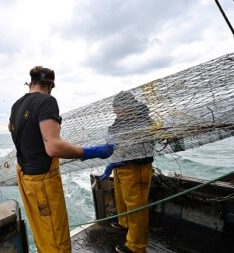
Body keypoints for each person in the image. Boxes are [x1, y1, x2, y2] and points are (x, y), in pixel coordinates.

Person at [9, 66, 115, 253]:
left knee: (43, 235)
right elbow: (53, 147)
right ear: (50, 85)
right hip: (43, 183)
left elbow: (11, 127)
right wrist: (91, 152)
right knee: (57, 241)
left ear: (31, 82)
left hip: (26, 180)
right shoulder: (47, 101)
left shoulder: (16, 105)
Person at [107, 91, 154, 253]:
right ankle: (124, 222)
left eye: (117, 108)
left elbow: (139, 144)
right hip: (121, 166)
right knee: (121, 198)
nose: (115, 111)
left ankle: (137, 246)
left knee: (136, 206)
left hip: (136, 168)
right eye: (115, 108)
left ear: (128, 107)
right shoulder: (121, 121)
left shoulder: (141, 120)